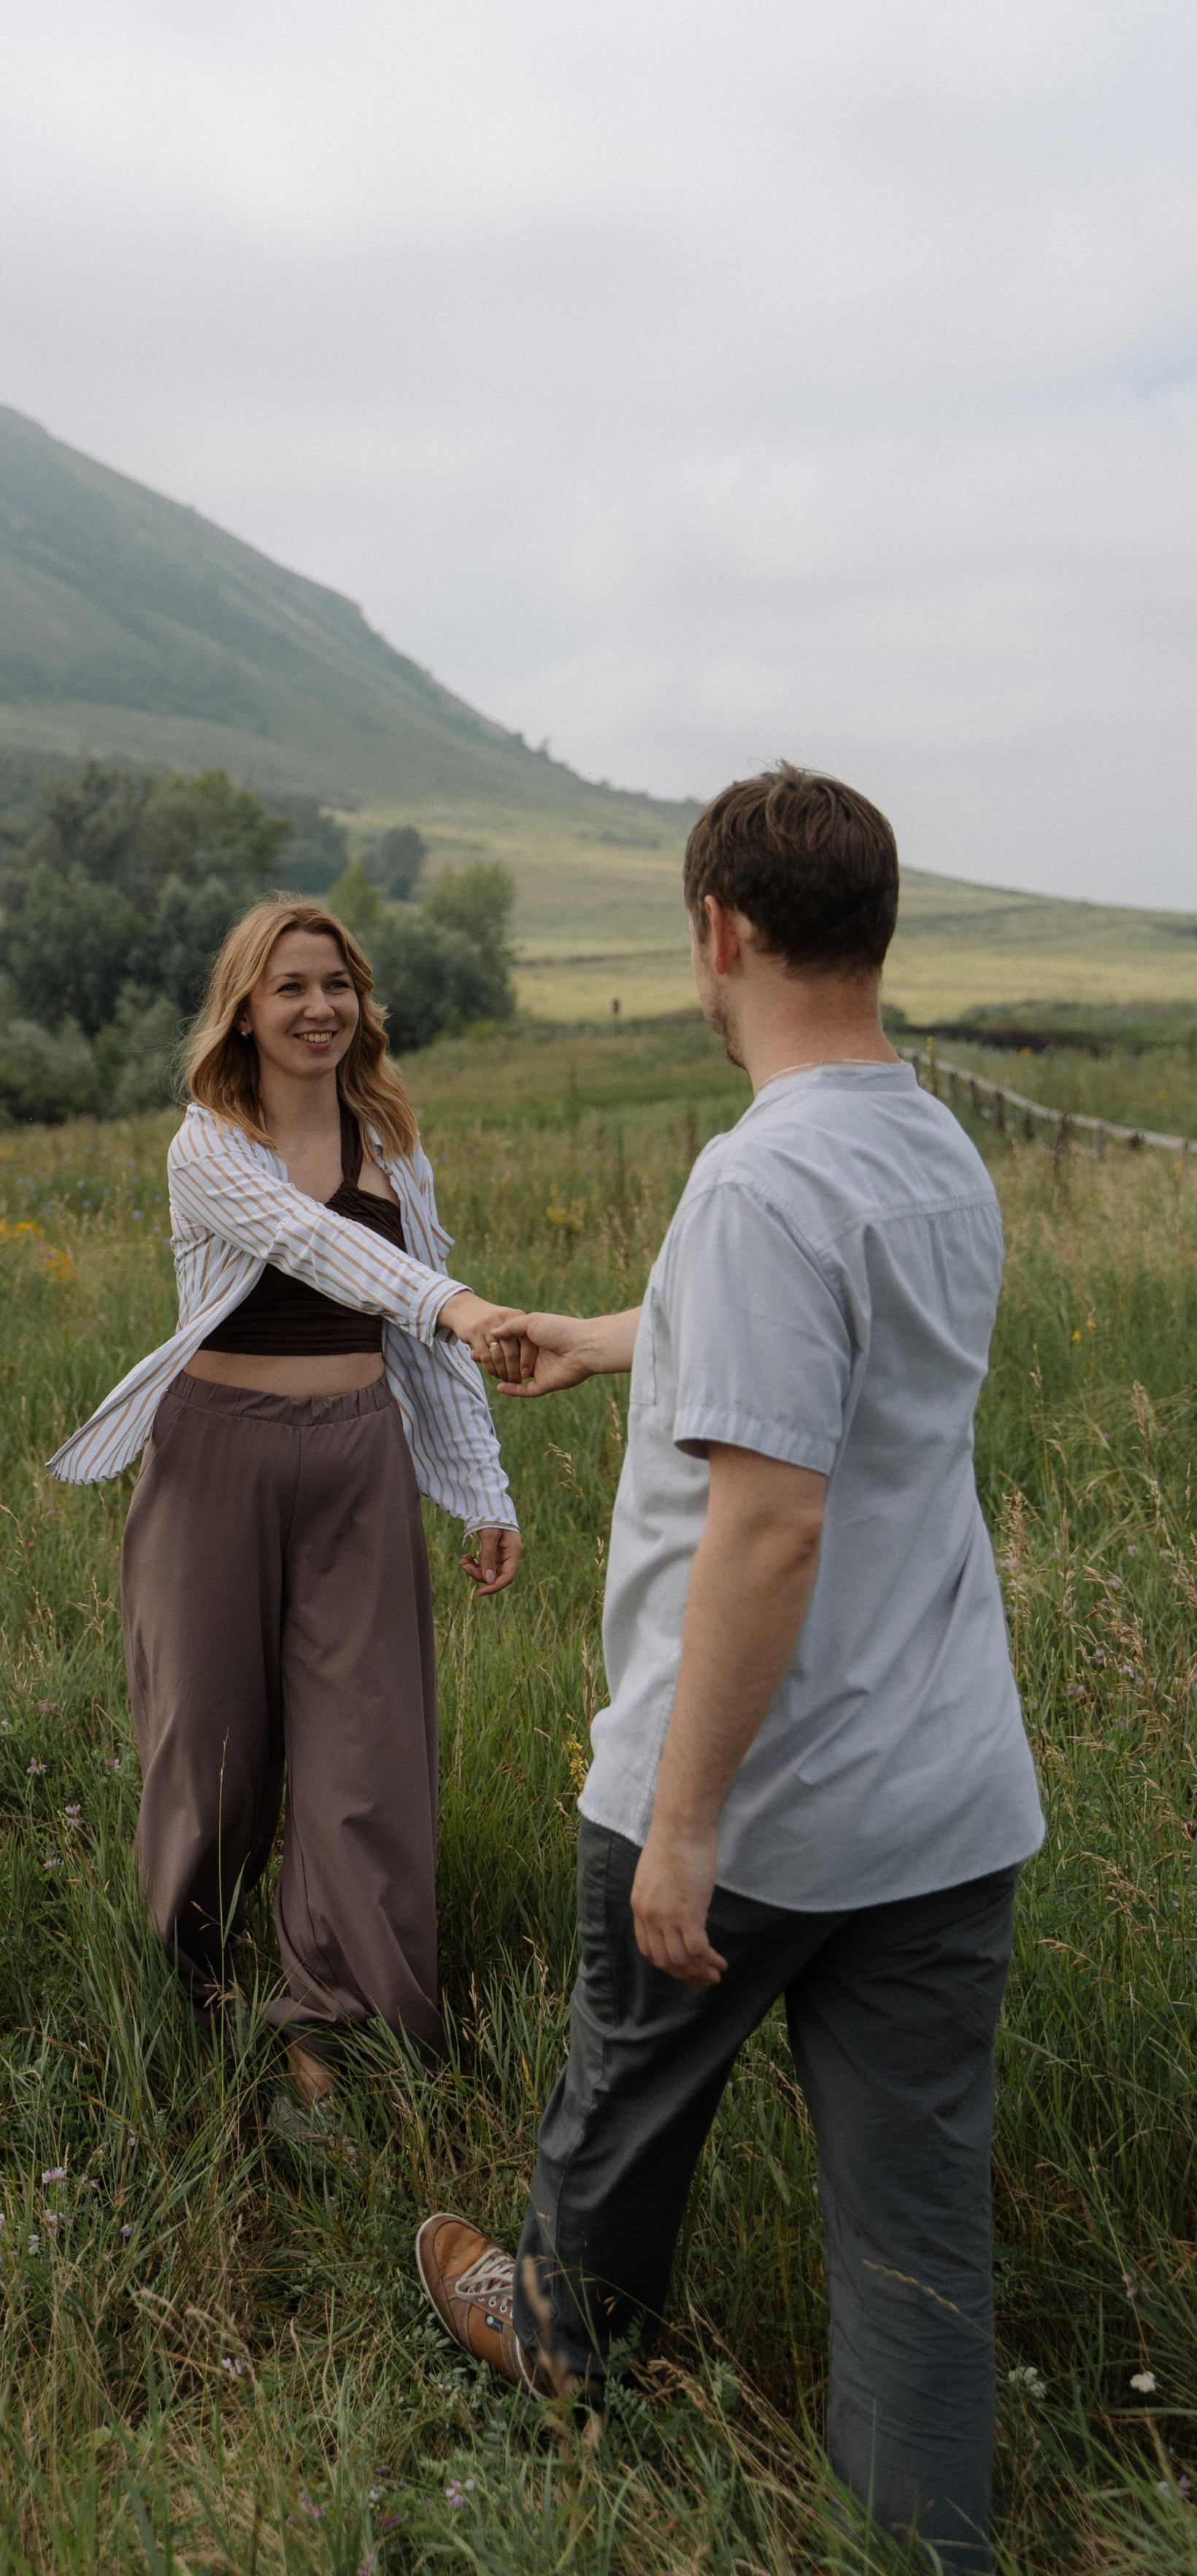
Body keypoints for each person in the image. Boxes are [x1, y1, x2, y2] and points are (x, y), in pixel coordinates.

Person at [415, 768, 1043, 2573]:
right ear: (875, 929)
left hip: (754, 1800)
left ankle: (562, 2337)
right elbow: (803, 1345)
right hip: (943, 1803)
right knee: (916, 2242)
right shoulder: (919, 1139)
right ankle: (920, 2547)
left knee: (617, 2114)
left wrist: (680, 1824)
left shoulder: (757, 1177)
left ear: (714, 933)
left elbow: (769, 1528)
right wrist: (604, 1344)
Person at [50, 896, 525, 2100]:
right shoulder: (209, 1144)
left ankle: (339, 2040)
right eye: (290, 988)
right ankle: (189, 2004)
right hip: (217, 1460)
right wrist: (454, 1298)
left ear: (361, 1003)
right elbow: (328, 1253)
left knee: (365, 1761)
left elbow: (414, 1345)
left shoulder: (393, 1146)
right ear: (245, 1012)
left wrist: (482, 1494)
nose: (318, 1008)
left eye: (337, 985)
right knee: (209, 1757)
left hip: (357, 1458)